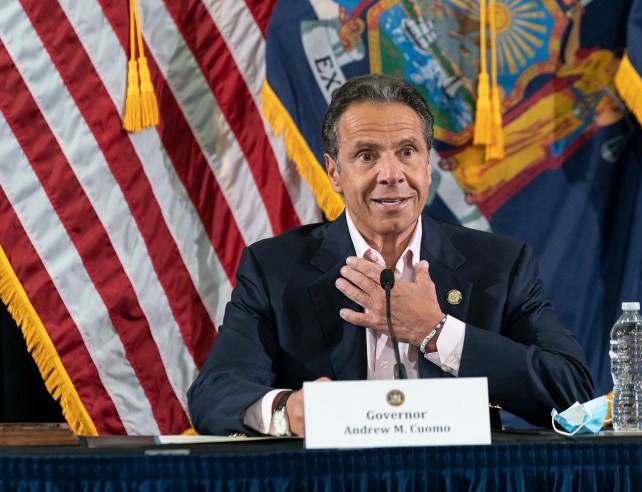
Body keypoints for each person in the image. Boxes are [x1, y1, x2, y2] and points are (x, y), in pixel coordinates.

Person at [187, 74, 594, 436]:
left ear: (428, 165)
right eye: (367, 155)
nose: (391, 174)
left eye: (407, 152)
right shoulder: (274, 269)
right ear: (334, 172)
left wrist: (437, 332)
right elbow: (214, 394)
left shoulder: (499, 265)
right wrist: (286, 412)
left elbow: (572, 393)